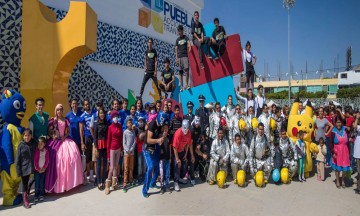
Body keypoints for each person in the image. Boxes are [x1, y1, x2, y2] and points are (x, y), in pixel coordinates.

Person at [45, 104, 83, 193]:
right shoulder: (53, 120)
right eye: (58, 110)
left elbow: (68, 131)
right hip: (56, 142)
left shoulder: (66, 120)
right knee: (57, 159)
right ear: (56, 111)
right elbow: (49, 131)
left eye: (61, 110)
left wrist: (64, 136)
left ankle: (70, 182)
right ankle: (59, 184)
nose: (59, 112)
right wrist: (53, 136)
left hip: (65, 140)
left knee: (73, 156)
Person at [142, 112, 168, 198]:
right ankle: (145, 190)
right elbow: (149, 140)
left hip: (154, 149)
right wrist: (158, 140)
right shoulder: (152, 124)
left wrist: (162, 138)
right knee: (150, 168)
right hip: (147, 149)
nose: (162, 121)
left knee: (157, 166)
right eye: (162, 119)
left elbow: (159, 137)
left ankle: (153, 183)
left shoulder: (160, 125)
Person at [15, 129, 34, 209]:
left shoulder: (33, 143)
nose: (27, 137)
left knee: (34, 178)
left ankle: (28, 189)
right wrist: (18, 170)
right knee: (24, 183)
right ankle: (25, 200)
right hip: (24, 168)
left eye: (28, 136)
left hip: (32, 166)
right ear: (23, 136)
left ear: (31, 136)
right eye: (25, 136)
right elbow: (17, 159)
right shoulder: (21, 145)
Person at [105, 110, 123, 195]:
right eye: (114, 116)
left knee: (116, 166)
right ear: (112, 118)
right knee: (111, 167)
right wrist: (108, 154)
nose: (116, 118)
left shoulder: (120, 126)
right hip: (112, 148)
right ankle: (107, 186)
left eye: (117, 116)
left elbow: (121, 138)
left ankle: (114, 184)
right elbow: (108, 141)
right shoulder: (110, 127)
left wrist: (122, 149)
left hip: (118, 148)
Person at [172, 120, 193, 191]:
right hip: (176, 151)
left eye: (187, 128)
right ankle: (175, 182)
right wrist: (177, 159)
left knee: (184, 165)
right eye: (185, 128)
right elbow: (174, 147)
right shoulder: (178, 133)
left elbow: (188, 144)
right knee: (177, 165)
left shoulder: (189, 133)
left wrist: (186, 154)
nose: (186, 130)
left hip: (182, 151)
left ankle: (180, 178)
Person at [330, 116, 351, 188]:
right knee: (337, 168)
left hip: (345, 152)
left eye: (340, 122)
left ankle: (343, 180)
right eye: (337, 122)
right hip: (337, 153)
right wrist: (333, 153)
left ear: (342, 123)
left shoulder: (345, 130)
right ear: (335, 123)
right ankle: (338, 180)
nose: (339, 124)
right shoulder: (333, 131)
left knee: (345, 169)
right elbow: (331, 143)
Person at [79, 99, 95, 185]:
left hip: (94, 138)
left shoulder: (94, 113)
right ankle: (85, 177)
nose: (87, 106)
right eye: (85, 104)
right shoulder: (82, 116)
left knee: (93, 157)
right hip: (87, 138)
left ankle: (91, 176)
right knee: (86, 158)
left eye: (88, 104)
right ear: (83, 106)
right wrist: (82, 142)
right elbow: (81, 130)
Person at [93, 108, 108, 191]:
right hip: (98, 146)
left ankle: (103, 180)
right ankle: (98, 182)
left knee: (105, 164)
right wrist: (95, 148)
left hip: (105, 146)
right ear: (98, 114)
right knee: (98, 165)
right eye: (100, 113)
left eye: (103, 113)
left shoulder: (106, 124)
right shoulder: (96, 124)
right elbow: (95, 137)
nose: (102, 114)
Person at [175, 25, 192, 90]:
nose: (179, 32)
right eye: (178, 31)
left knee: (187, 71)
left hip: (185, 56)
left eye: (180, 31)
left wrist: (190, 46)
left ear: (182, 31)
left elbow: (188, 42)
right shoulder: (177, 39)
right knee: (180, 72)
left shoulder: (185, 37)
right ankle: (181, 86)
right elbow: (176, 48)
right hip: (179, 57)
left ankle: (187, 84)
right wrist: (176, 58)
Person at [122, 117, 136, 193]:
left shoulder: (133, 132)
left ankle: (131, 180)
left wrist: (131, 149)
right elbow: (124, 142)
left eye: (131, 122)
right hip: (126, 153)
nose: (130, 124)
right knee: (126, 168)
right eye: (128, 122)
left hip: (132, 153)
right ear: (126, 124)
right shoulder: (125, 132)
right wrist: (127, 150)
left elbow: (134, 141)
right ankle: (125, 183)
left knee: (131, 167)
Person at [33, 136, 49, 203]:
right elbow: (35, 161)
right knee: (37, 183)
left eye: (41, 144)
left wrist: (44, 168)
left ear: (44, 144)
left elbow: (47, 160)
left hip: (43, 171)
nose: (39, 145)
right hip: (37, 171)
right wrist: (38, 169)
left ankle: (41, 194)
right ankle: (36, 195)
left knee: (42, 183)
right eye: (38, 144)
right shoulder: (36, 151)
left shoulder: (46, 151)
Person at [159, 121, 171, 194]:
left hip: (167, 157)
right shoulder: (160, 136)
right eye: (164, 128)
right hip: (161, 158)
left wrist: (170, 157)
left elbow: (170, 147)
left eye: (167, 128)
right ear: (162, 129)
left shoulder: (169, 137)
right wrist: (163, 136)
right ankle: (162, 187)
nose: (166, 130)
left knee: (167, 173)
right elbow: (159, 144)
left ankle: (167, 186)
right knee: (162, 173)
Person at [353, 112, 360, 194]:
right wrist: (357, 118)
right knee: (359, 171)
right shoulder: (358, 127)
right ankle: (358, 187)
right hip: (358, 153)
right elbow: (354, 126)